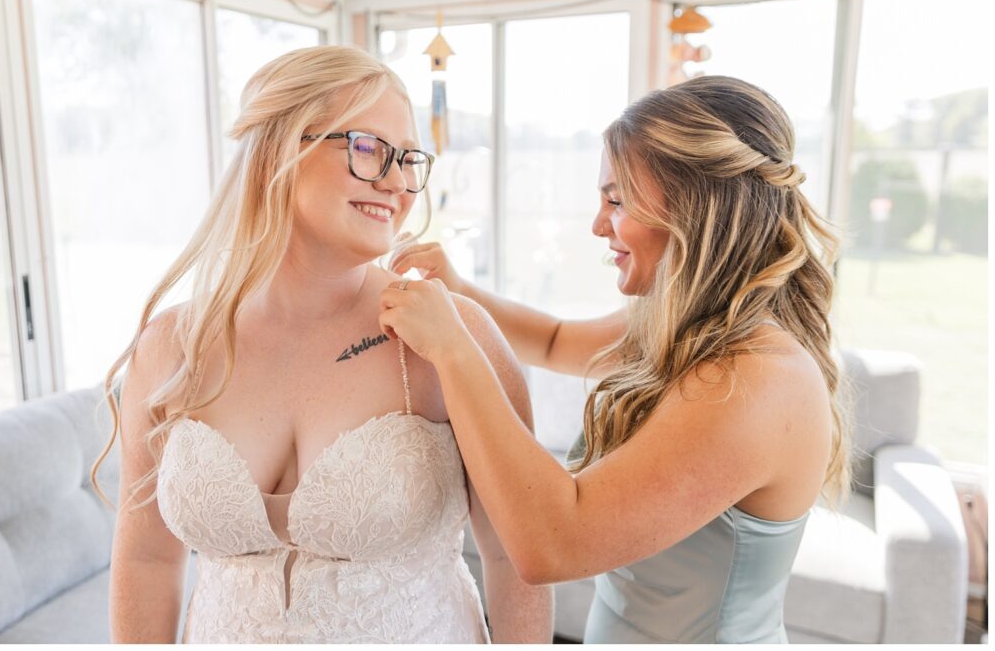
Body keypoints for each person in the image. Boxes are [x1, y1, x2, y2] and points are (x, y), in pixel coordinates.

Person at [91, 45, 552, 643]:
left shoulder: (451, 338)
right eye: (367, 149)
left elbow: (517, 561)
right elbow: (147, 560)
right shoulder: (172, 346)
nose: (398, 184)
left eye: (408, 159)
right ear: (280, 148)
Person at [382, 75, 849, 644]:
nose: (598, 224)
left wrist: (453, 349)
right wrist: (462, 292)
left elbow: (554, 541)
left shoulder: (756, 381)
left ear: (695, 205)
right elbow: (553, 340)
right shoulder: (680, 326)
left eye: (617, 200)